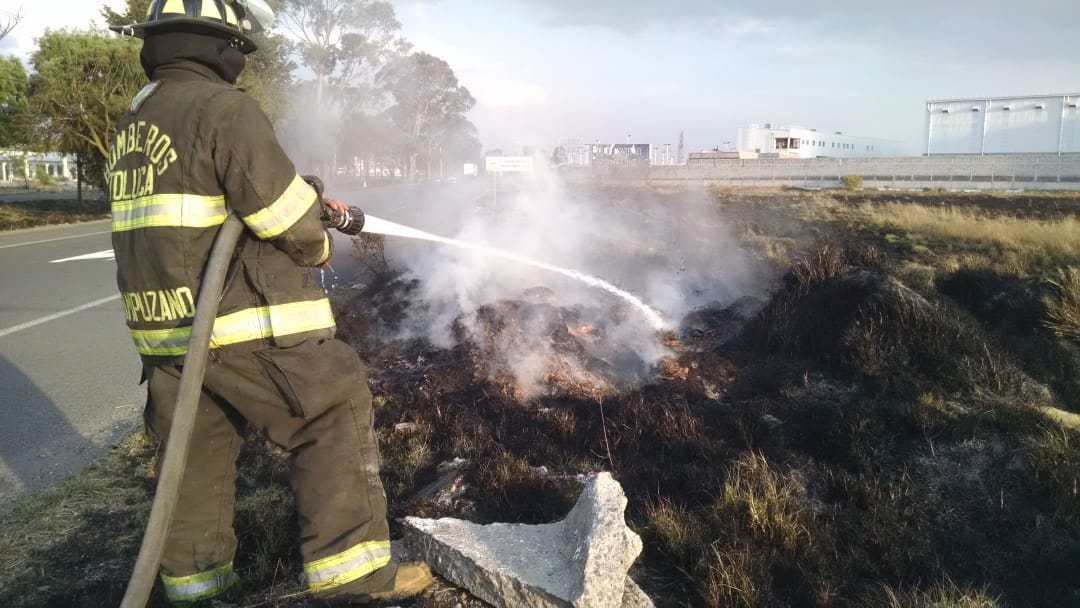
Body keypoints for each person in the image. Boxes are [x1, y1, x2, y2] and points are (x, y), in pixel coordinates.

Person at [107, 0, 433, 604]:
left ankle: (198, 590)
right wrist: (314, 226)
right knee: (332, 403)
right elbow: (288, 220)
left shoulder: (137, 122)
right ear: (219, 43)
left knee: (193, 463)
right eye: (240, 47)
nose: (243, 59)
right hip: (238, 324)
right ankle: (356, 580)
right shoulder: (223, 108)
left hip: (166, 336)